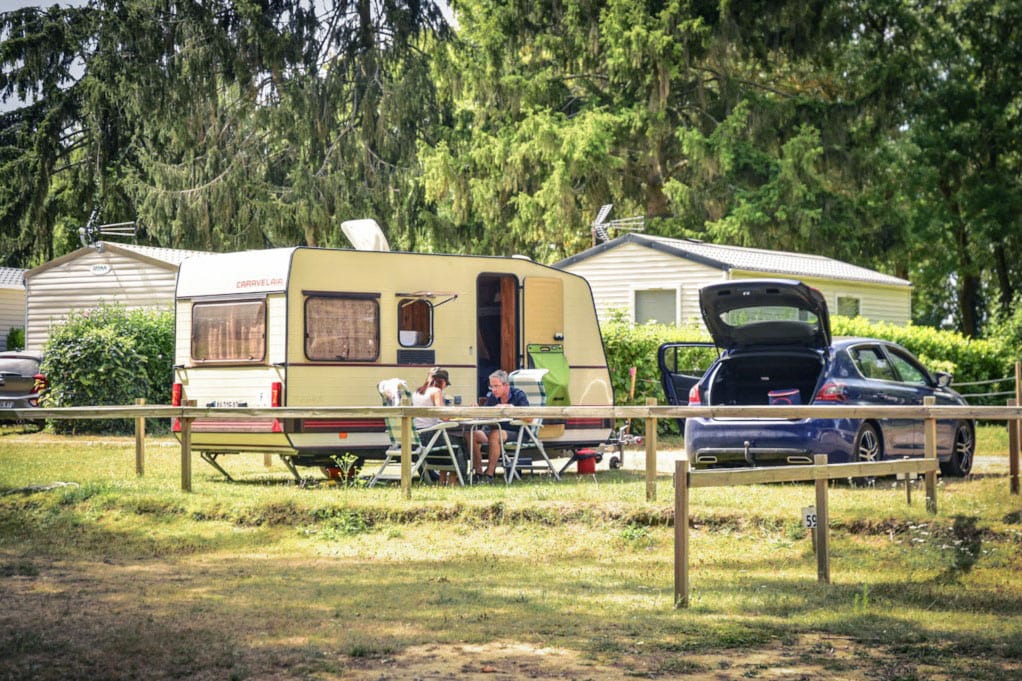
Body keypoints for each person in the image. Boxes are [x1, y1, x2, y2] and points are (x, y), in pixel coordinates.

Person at [471, 369, 529, 482]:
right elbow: (486, 415)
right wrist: (478, 410)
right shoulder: (493, 397)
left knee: (495, 434)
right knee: (473, 435)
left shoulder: (519, 395)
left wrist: (512, 409)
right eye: (491, 387)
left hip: (518, 433)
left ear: (506, 385)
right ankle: (478, 472)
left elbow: (529, 418)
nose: (493, 390)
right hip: (495, 430)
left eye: (496, 386)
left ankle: (489, 474)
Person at [412, 368, 459, 485]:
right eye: (445, 384)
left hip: (417, 437)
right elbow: (443, 416)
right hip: (429, 437)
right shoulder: (436, 391)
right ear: (442, 381)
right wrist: (454, 415)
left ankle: (442, 480)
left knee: (447, 441)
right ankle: (454, 481)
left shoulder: (417, 392)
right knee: (459, 444)